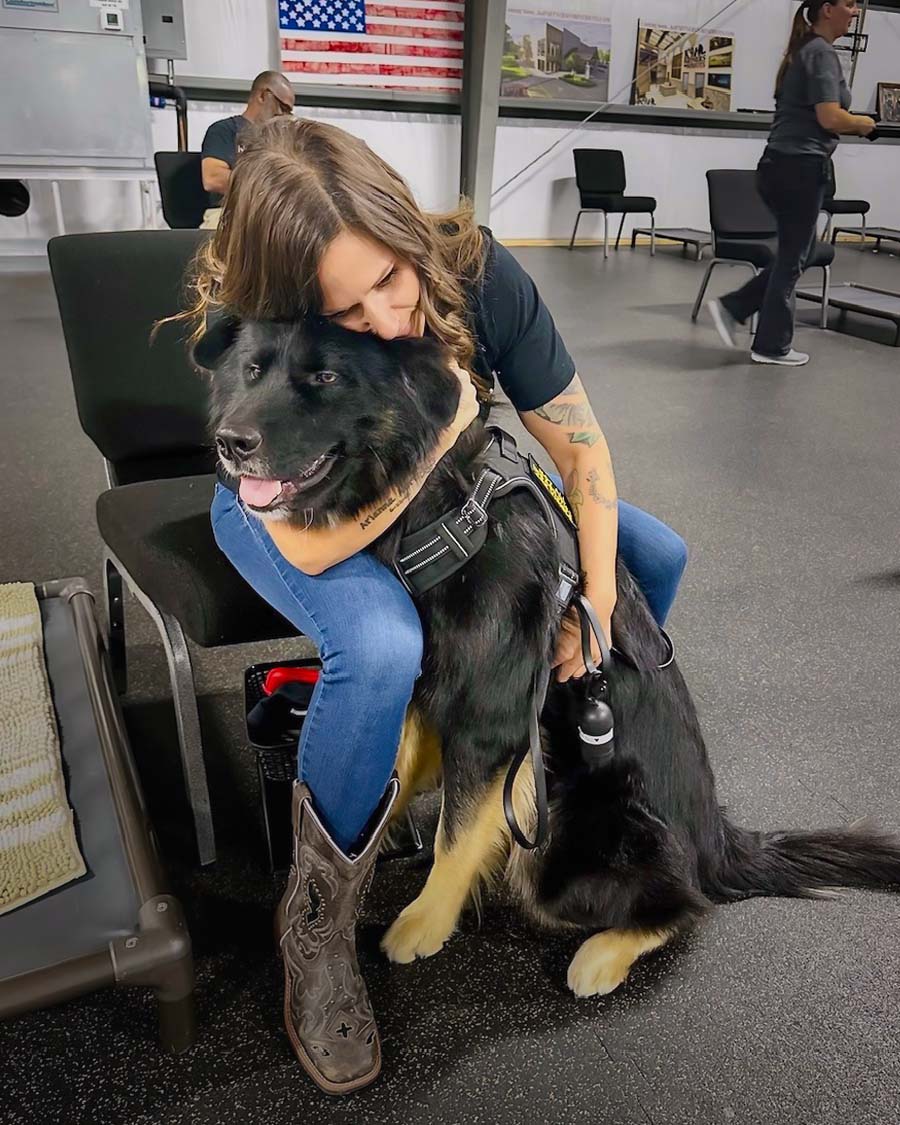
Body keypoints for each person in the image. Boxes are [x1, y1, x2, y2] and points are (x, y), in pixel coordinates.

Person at [186, 118, 688, 1095]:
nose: (387, 312)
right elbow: (321, 535)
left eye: (391, 277)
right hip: (294, 502)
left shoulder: (476, 272)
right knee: (378, 642)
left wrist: (586, 605)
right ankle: (317, 930)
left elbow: (583, 454)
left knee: (647, 555)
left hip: (443, 491)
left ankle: (546, 762)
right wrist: (448, 420)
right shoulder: (262, 321)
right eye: (351, 303)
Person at [708, 0, 875, 367]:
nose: (855, 11)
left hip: (782, 166)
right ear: (827, 9)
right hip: (799, 168)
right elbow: (830, 117)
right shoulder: (820, 53)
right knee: (793, 258)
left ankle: (737, 309)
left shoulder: (805, 52)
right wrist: (861, 123)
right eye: (848, 4)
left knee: (798, 253)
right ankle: (765, 340)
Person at [198, 70, 294, 228]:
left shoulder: (281, 140)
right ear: (263, 95)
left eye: (288, 111)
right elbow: (213, 178)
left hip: (271, 216)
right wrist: (266, 189)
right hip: (229, 214)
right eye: (281, 106)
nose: (283, 115)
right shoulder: (224, 130)